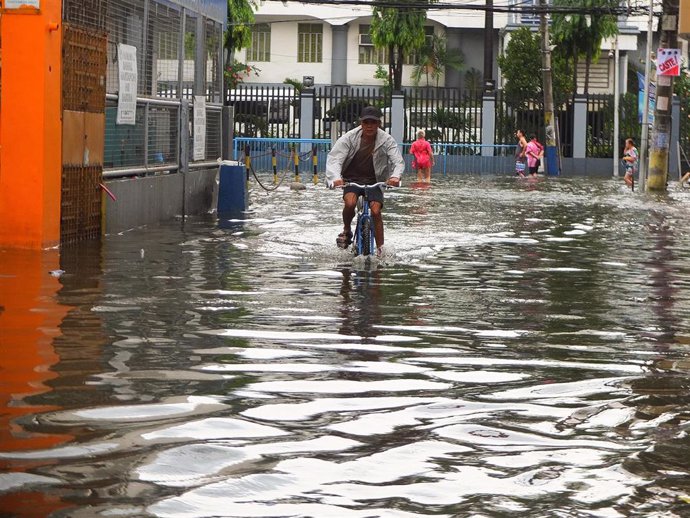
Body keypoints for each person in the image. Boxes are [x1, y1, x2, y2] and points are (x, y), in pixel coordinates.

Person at [326, 106, 404, 257]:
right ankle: (347, 229)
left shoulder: (387, 140)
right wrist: (336, 178)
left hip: (375, 181)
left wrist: (395, 176)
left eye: (373, 122)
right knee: (350, 203)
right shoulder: (349, 138)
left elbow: (397, 161)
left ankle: (381, 249)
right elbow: (335, 158)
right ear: (361, 123)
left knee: (375, 211)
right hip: (352, 180)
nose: (369, 125)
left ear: (379, 124)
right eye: (366, 122)